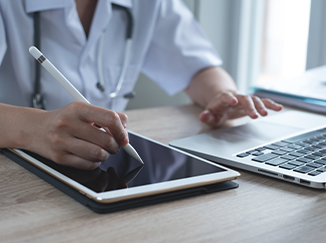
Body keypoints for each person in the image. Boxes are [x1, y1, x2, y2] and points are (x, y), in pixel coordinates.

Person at [0, 0, 282, 170]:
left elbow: (197, 66)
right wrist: (34, 128)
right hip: (15, 167)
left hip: (105, 165)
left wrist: (223, 95)